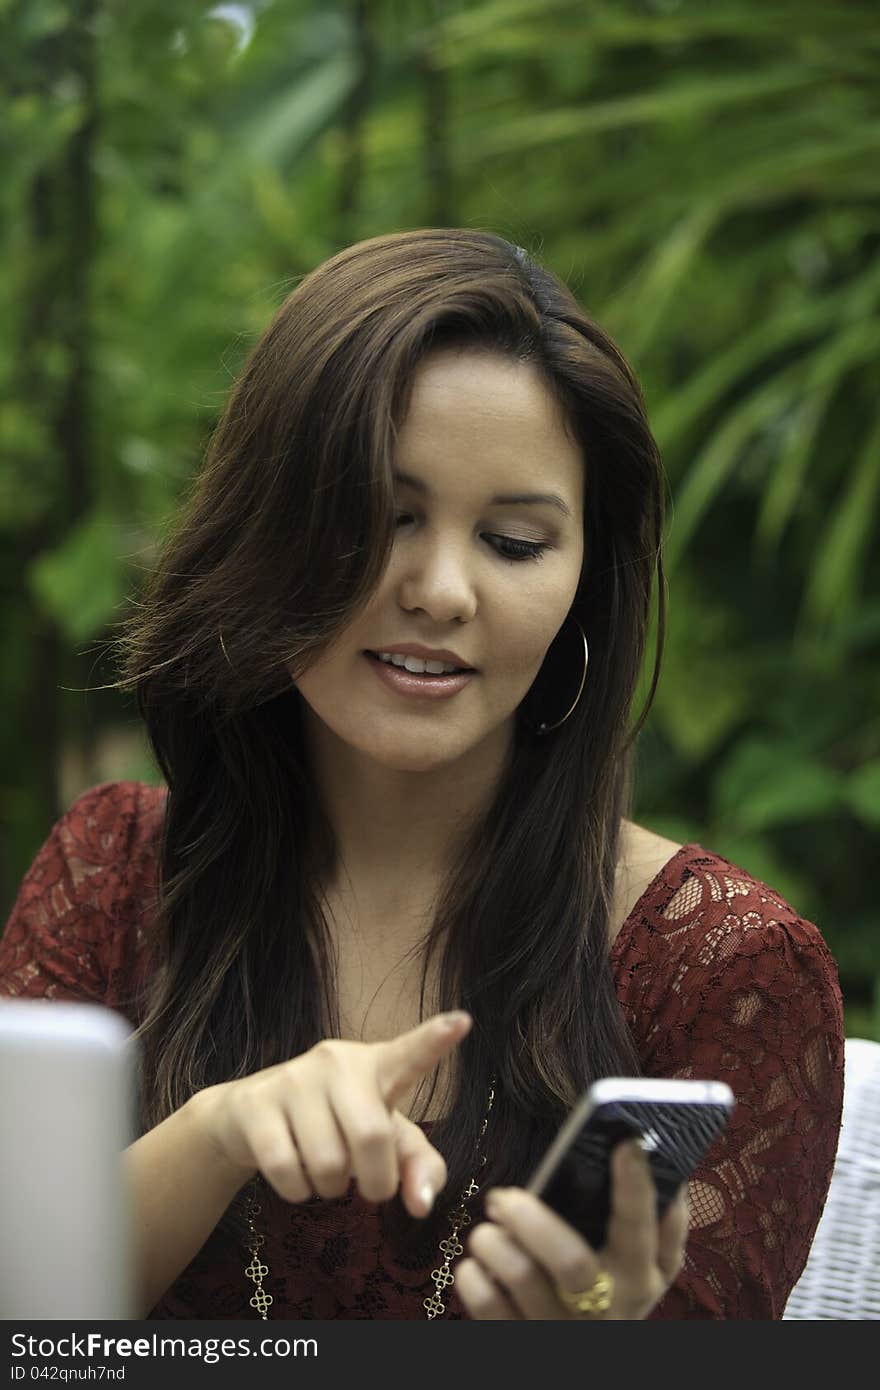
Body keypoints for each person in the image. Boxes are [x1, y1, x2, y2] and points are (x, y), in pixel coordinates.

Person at [0, 228, 844, 1321]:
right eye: (387, 516)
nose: (442, 590)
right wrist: (216, 1135)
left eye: (512, 540)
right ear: (268, 525)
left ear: (584, 584)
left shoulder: (721, 967)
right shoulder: (115, 875)